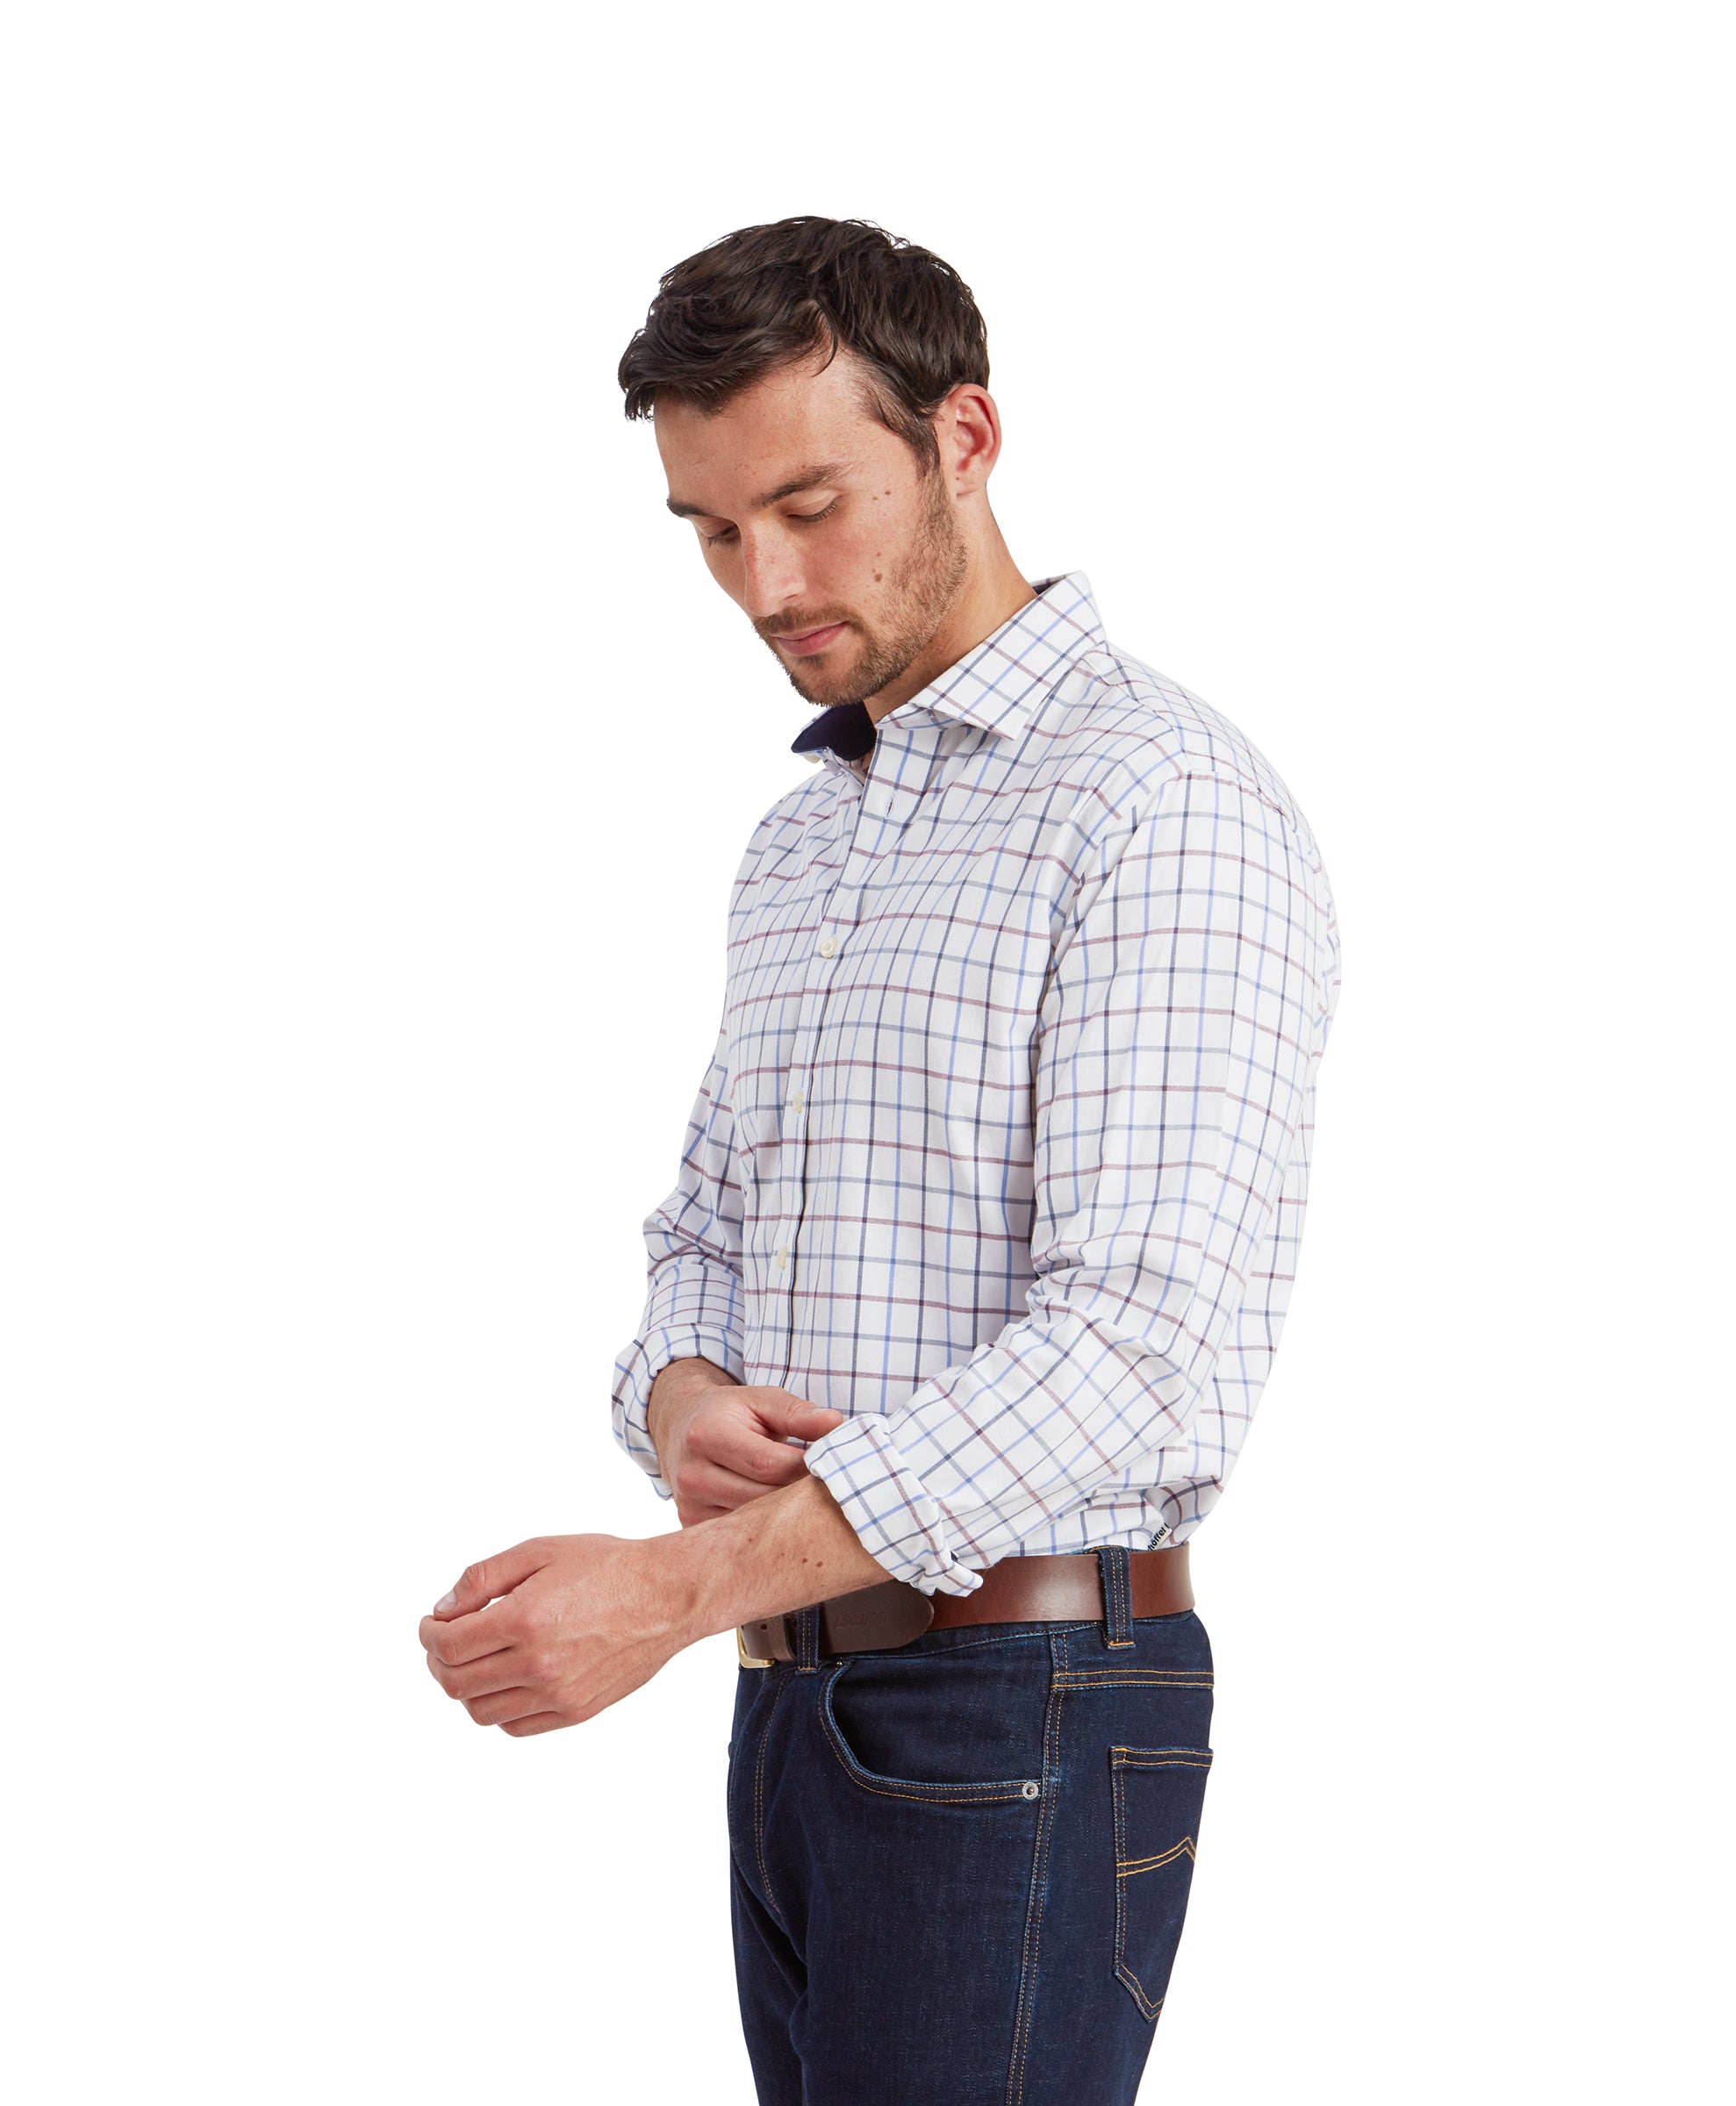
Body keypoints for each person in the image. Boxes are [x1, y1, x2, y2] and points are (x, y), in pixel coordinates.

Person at [418, 216, 1344, 2105]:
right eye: (707, 530)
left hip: (1026, 1697)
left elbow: (1138, 1353)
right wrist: (676, 1394)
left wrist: (666, 1592)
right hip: (802, 1698)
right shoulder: (807, 839)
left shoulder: (1156, 801)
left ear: (964, 437)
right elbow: (704, 1223)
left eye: (809, 504)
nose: (763, 578)